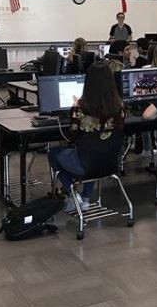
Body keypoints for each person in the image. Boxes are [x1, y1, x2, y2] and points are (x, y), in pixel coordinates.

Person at [48, 61, 125, 211]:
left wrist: (74, 109)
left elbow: (72, 136)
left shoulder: (81, 108)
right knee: (96, 150)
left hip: (86, 165)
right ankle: (85, 198)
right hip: (110, 163)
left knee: (53, 154)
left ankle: (71, 192)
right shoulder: (120, 107)